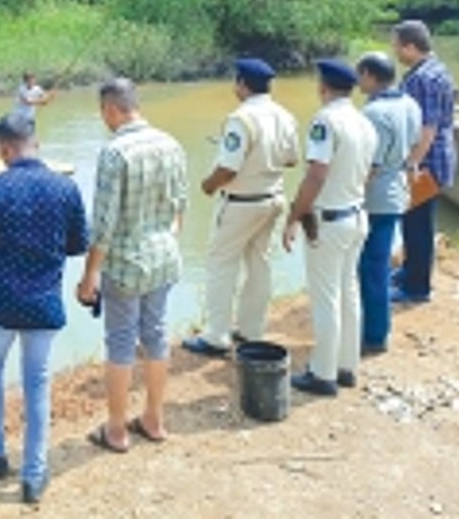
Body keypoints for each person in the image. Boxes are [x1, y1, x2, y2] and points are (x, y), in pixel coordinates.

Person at [0, 113, 90, 504]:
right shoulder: (65, 188)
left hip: (0, 302)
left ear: (3, 149)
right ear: (37, 143)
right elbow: (79, 244)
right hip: (44, 304)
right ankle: (33, 474)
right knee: (37, 382)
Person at [76, 78, 188, 451]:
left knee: (121, 342)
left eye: (102, 113)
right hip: (164, 257)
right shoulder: (171, 143)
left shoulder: (115, 152)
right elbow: (181, 206)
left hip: (126, 264)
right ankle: (154, 419)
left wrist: (90, 274)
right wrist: (167, 240)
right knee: (156, 334)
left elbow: (103, 224)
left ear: (111, 109)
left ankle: (116, 429)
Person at [182, 58, 299, 357]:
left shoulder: (241, 119)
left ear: (242, 84)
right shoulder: (284, 116)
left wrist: (208, 185)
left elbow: (228, 168)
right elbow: (292, 159)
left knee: (221, 264)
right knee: (259, 264)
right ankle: (251, 329)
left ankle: (216, 335)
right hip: (272, 197)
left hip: (241, 202)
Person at [283, 60, 377, 397]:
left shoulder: (325, 121)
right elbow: (369, 171)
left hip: (330, 220)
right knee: (349, 293)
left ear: (323, 87)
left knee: (326, 297)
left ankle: (322, 374)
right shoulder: (364, 122)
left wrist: (295, 215)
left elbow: (316, 174)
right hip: (356, 214)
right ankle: (346, 367)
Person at [356, 52, 422, 355]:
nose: (358, 82)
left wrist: (352, 196)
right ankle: (375, 330)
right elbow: (414, 146)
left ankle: (373, 334)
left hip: (375, 198)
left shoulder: (374, 113)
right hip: (397, 191)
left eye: (360, 75)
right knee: (377, 263)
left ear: (370, 75)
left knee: (371, 267)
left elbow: (370, 165)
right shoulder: (410, 104)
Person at [391, 20, 456, 303]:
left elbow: (427, 127)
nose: (395, 52)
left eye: (396, 46)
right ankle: (410, 271)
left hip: (426, 162)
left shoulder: (422, 79)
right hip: (438, 157)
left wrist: (412, 164)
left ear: (410, 46)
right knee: (415, 222)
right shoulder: (438, 69)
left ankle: (417, 288)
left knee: (417, 226)